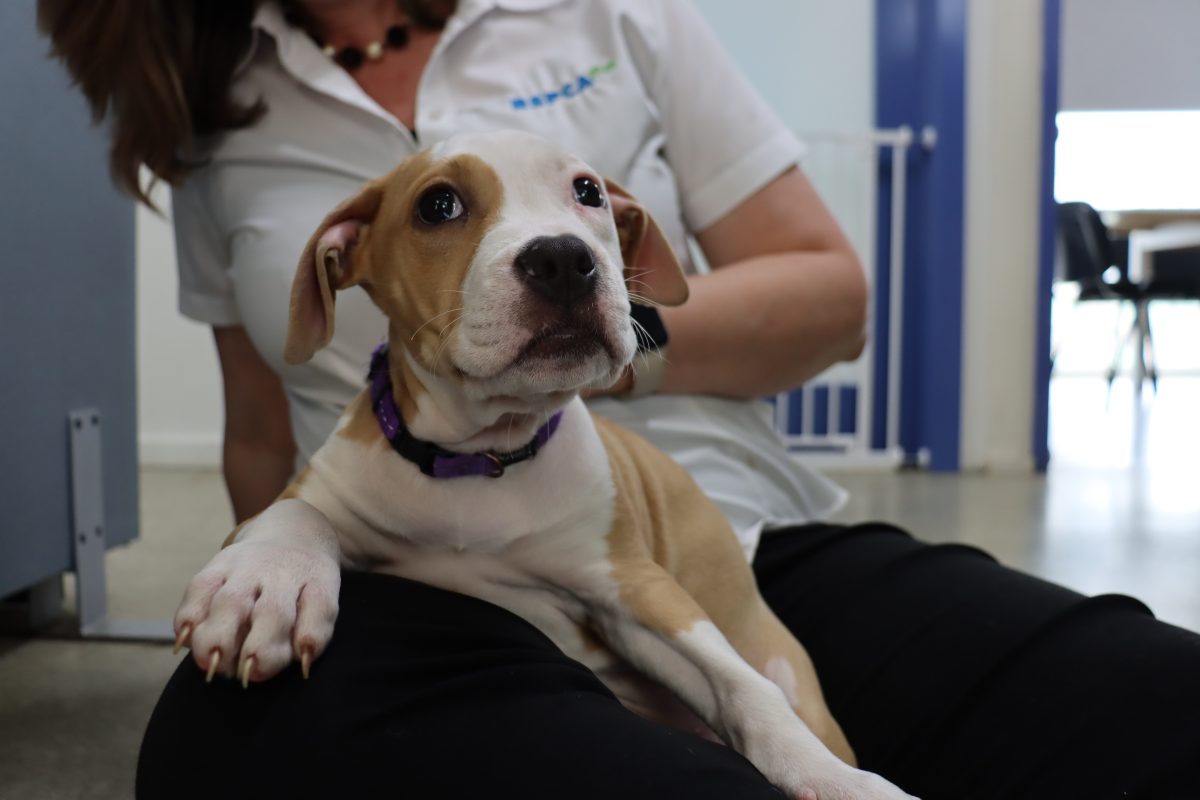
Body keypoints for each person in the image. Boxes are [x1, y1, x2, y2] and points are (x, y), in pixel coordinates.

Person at [40, 1, 1200, 798]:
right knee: (217, 739)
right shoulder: (207, 103)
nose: (552, 240)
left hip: (733, 539)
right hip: (413, 589)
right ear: (348, 258)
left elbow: (836, 295)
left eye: (585, 203)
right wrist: (284, 550)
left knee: (1148, 699)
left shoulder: (607, 11)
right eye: (444, 211)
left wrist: (604, 343)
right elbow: (259, 428)